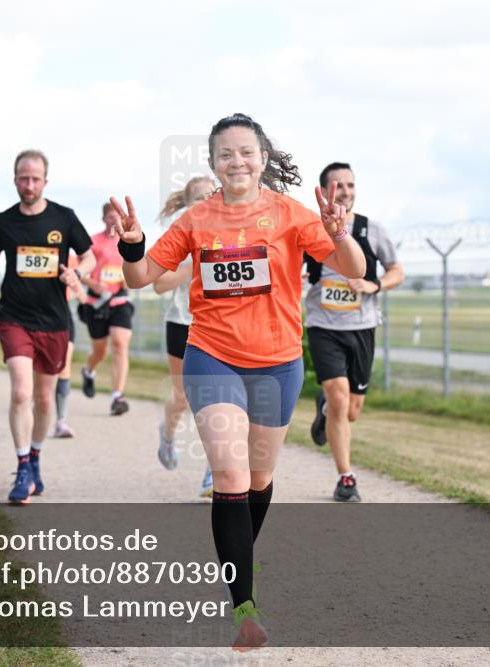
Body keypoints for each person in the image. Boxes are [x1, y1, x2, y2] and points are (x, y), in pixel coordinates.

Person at [113, 113, 366, 650]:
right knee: (228, 475)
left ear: (263, 157)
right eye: (225, 154)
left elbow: (354, 267)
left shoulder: (290, 214)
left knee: (257, 478)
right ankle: (244, 609)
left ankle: (234, 557)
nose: (237, 162)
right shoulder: (195, 219)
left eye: (246, 152)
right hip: (213, 356)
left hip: (277, 362)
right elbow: (139, 277)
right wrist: (133, 244)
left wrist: (341, 236)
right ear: (211, 163)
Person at [0, 149, 95, 505]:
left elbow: (90, 255)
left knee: (45, 399)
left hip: (53, 321)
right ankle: (22, 467)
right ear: (15, 179)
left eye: (35, 179)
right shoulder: (5, 221)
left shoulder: (64, 218)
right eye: (23, 178)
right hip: (14, 316)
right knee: (20, 393)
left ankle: (35, 456)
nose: (29, 185)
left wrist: (77, 272)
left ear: (46, 181)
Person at [305, 162, 404, 502]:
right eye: (337, 186)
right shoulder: (312, 231)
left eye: (349, 185)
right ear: (324, 192)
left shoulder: (371, 230)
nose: (345, 192)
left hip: (362, 327)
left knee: (351, 410)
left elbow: (397, 271)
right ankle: (346, 478)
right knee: (338, 396)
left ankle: (324, 411)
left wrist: (372, 285)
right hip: (323, 326)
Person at [153, 175, 217, 497]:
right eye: (198, 197)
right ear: (188, 204)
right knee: (183, 398)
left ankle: (214, 471)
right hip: (181, 323)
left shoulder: (228, 233)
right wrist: (194, 264)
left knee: (215, 401)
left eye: (211, 195)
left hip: (217, 326)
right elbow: (159, 284)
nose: (205, 201)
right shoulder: (179, 235)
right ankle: (167, 433)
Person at [78, 203, 136, 416]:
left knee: (120, 344)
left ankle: (117, 397)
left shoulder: (127, 241)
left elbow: (135, 271)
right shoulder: (92, 242)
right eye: (110, 217)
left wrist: (128, 280)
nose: (114, 220)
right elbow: (79, 272)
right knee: (100, 351)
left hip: (120, 301)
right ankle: (89, 371)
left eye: (117, 217)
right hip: (97, 303)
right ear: (104, 219)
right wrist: (93, 284)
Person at [53, 252, 89, 439]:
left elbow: (81, 292)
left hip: (62, 312)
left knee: (64, 366)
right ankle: (34, 409)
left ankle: (61, 420)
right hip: (32, 312)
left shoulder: (71, 256)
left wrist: (79, 290)